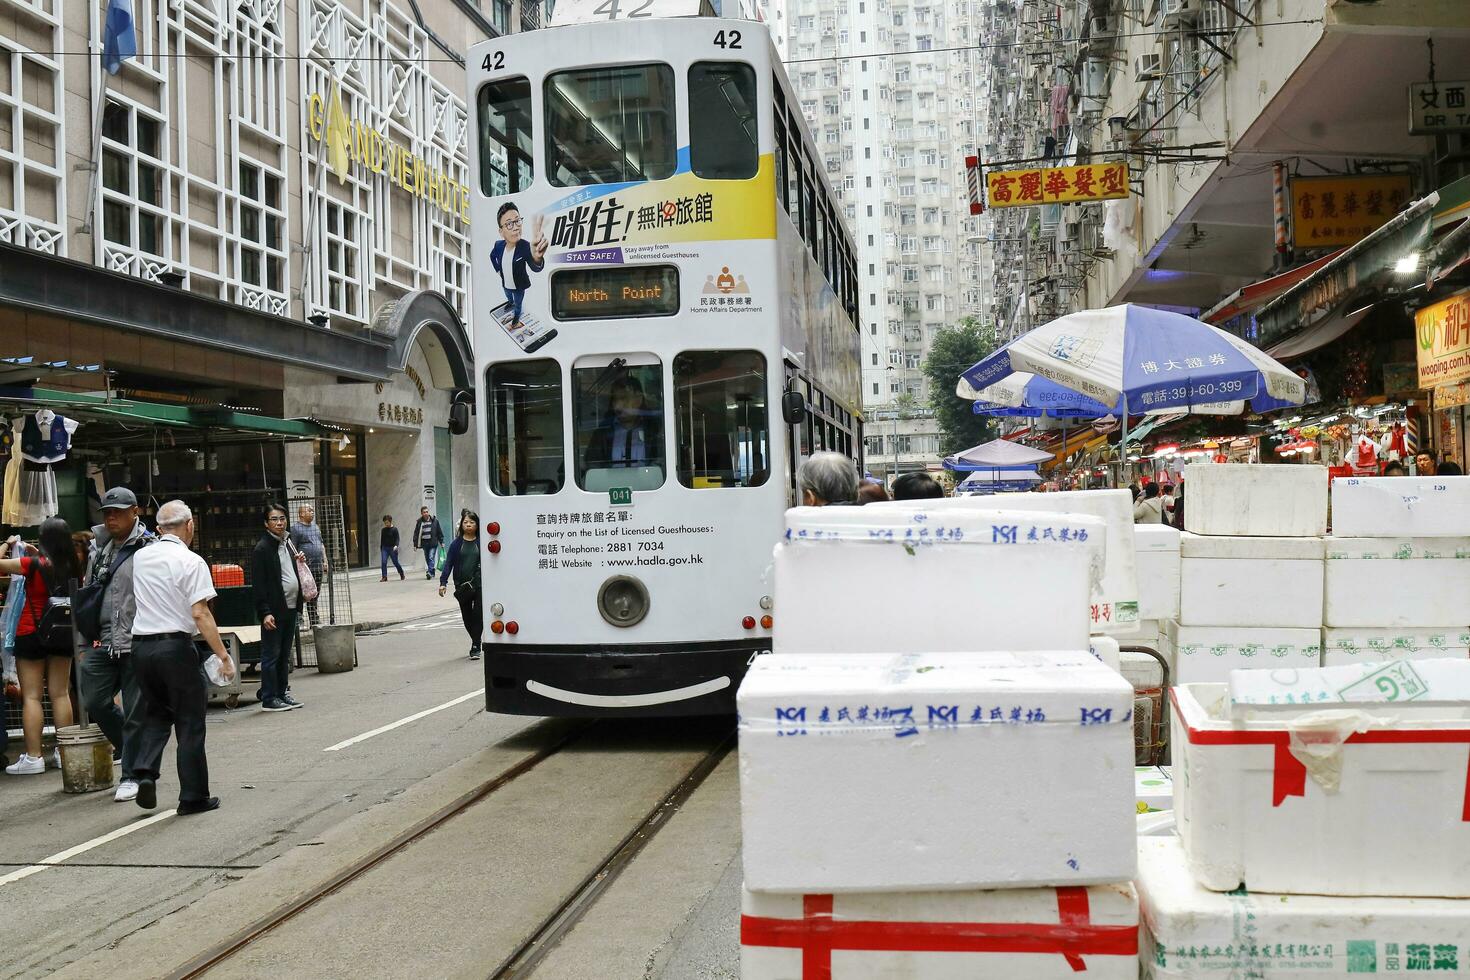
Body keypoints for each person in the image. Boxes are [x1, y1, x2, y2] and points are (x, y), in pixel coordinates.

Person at [128, 499, 234, 813]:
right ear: (191, 525)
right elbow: (200, 613)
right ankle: (193, 797)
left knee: (157, 712)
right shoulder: (191, 561)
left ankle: (145, 770)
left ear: (159, 529)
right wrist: (223, 656)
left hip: (141, 647)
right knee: (189, 721)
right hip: (174, 647)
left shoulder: (141, 557)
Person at [79, 487, 154, 802]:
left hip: (138, 638)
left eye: (118, 511)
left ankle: (132, 775)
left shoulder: (148, 547)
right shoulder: (99, 548)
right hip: (104, 640)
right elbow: (89, 593)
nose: (111, 517)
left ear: (135, 511)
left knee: (136, 709)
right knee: (95, 700)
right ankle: (130, 748)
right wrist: (86, 638)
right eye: (107, 512)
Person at [0, 518, 80, 775]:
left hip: (31, 632)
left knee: (32, 696)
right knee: (60, 693)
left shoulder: (31, 565)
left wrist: (5, 544)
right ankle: (63, 751)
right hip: (62, 633)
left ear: (43, 540)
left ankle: (34, 757)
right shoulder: (73, 564)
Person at [252, 502, 304, 713]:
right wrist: (265, 613)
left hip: (290, 607)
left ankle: (282, 693)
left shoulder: (287, 543)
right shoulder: (262, 549)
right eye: (274, 519)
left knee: (284, 654)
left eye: (282, 518)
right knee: (271, 655)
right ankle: (269, 697)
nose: (279, 523)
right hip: (274, 611)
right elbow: (259, 584)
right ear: (266, 523)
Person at [490, 202, 548, 328]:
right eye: (509, 224)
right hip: (506, 284)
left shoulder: (525, 246)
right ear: (501, 231)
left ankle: (516, 321)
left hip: (519, 287)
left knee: (518, 305)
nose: (516, 227)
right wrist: (498, 271)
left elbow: (535, 268)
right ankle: (510, 303)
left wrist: (537, 258)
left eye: (517, 221)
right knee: (508, 298)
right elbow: (492, 256)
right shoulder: (498, 245)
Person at [585, 376, 663, 470]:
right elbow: (592, 465)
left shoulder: (656, 428)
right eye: (615, 399)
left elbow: (662, 462)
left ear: (639, 399)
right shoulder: (603, 432)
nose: (618, 406)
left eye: (624, 398)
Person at [439, 511, 483, 661]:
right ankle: (476, 639)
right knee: (467, 617)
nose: (468, 525)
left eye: (472, 522)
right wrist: (443, 583)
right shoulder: (456, 544)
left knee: (478, 616)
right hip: (462, 586)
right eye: (466, 522)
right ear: (461, 525)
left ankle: (475, 645)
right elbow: (448, 564)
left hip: (479, 585)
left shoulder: (482, 542)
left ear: (477, 525)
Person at [289, 504, 328, 626]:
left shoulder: (316, 527)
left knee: (314, 592)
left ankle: (314, 618)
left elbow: (321, 545)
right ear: (301, 513)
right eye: (309, 510)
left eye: (312, 510)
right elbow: (292, 548)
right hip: (304, 568)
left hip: (317, 565)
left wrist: (325, 561)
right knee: (301, 593)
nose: (312, 512)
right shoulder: (295, 528)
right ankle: (298, 619)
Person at [412, 506, 444, 580]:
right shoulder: (419, 522)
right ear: (421, 513)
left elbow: (439, 532)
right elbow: (416, 533)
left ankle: (429, 572)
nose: (426, 513)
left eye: (427, 512)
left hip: (433, 542)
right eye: (424, 512)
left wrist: (442, 541)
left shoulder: (434, 521)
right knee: (427, 558)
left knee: (431, 557)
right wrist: (415, 544)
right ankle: (432, 571)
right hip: (424, 543)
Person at [379, 515, 404, 581]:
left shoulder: (394, 529)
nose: (386, 524)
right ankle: (384, 576)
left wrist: (396, 545)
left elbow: (397, 539)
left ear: (390, 522)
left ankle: (401, 573)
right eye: (385, 523)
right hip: (385, 548)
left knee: (395, 562)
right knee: (383, 562)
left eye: (387, 522)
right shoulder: (383, 530)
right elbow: (382, 540)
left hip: (392, 548)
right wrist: (381, 548)